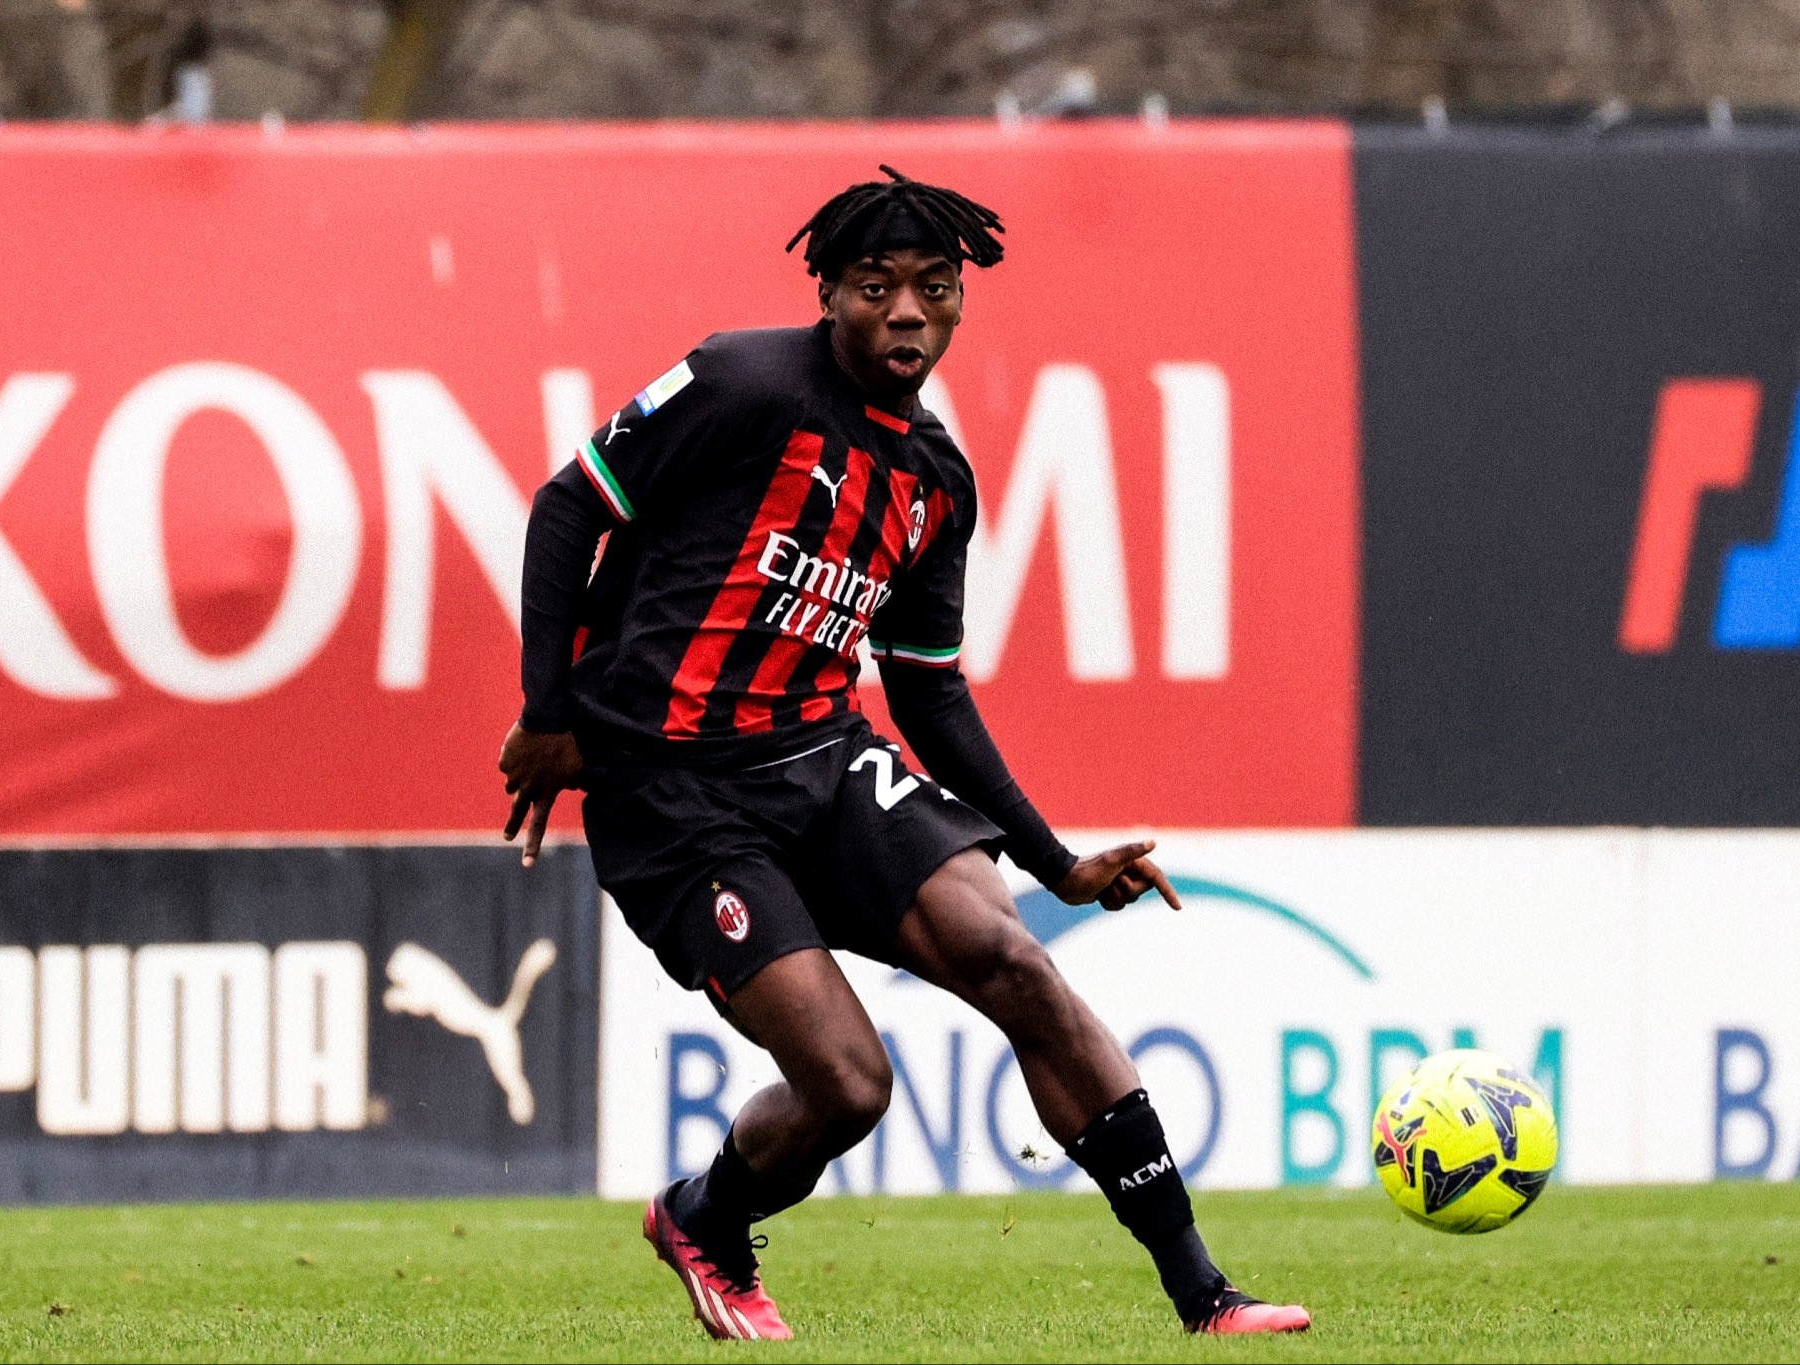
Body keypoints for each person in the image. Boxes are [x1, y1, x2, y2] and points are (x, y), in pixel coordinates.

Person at [498, 166, 1311, 1341]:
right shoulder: (738, 381)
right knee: (848, 1085)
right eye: (875, 286)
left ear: (961, 302)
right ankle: (703, 1216)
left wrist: (1053, 861)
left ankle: (1204, 1296)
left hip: (825, 761)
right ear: (828, 290)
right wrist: (548, 711)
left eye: (933, 288)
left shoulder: (934, 478)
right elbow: (568, 505)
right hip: (675, 795)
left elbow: (927, 691)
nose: (906, 312)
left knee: (1017, 962)